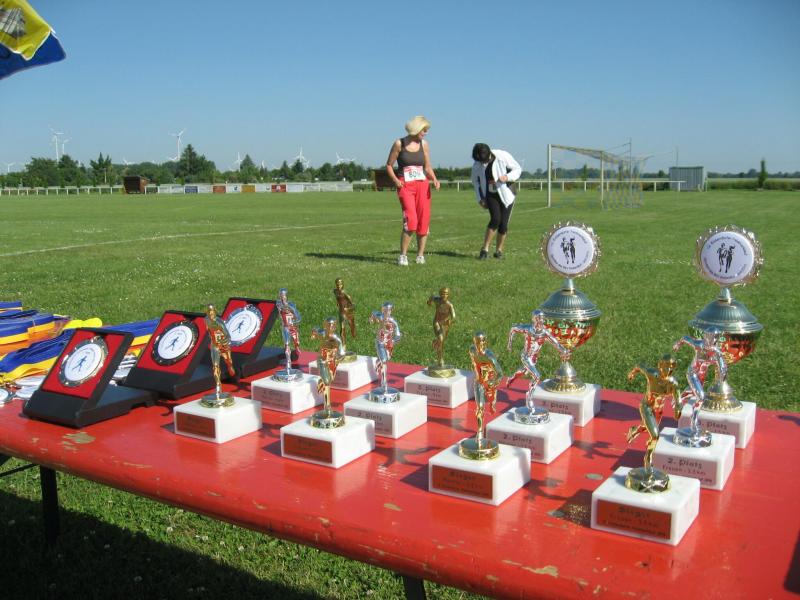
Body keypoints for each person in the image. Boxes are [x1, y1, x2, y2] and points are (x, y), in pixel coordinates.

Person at [386, 115, 440, 266]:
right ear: (416, 129)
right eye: (424, 130)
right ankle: (403, 255)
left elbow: (427, 167)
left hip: (423, 185)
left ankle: (420, 255)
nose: (426, 133)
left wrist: (434, 179)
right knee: (411, 221)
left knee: (423, 220)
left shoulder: (424, 145)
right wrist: (396, 180)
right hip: (405, 186)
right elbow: (389, 165)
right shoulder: (399, 143)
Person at [470, 143, 522, 259]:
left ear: (489, 154)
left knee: (503, 224)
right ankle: (484, 250)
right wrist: (480, 198)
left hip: (507, 193)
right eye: (480, 162)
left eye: (484, 161)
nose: (482, 164)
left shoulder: (502, 156)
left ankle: (499, 251)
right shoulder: (477, 165)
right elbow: (475, 182)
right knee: (495, 219)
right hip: (491, 194)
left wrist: (507, 177)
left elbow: (517, 169)